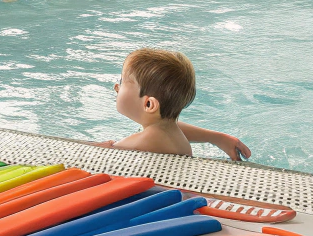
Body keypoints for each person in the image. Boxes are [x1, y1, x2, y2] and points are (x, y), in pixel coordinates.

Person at [93, 48, 252, 159]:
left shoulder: (146, 139)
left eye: (122, 82)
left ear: (149, 105)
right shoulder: (164, 128)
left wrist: (107, 147)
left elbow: (104, 153)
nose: (116, 86)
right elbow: (174, 126)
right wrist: (217, 137)